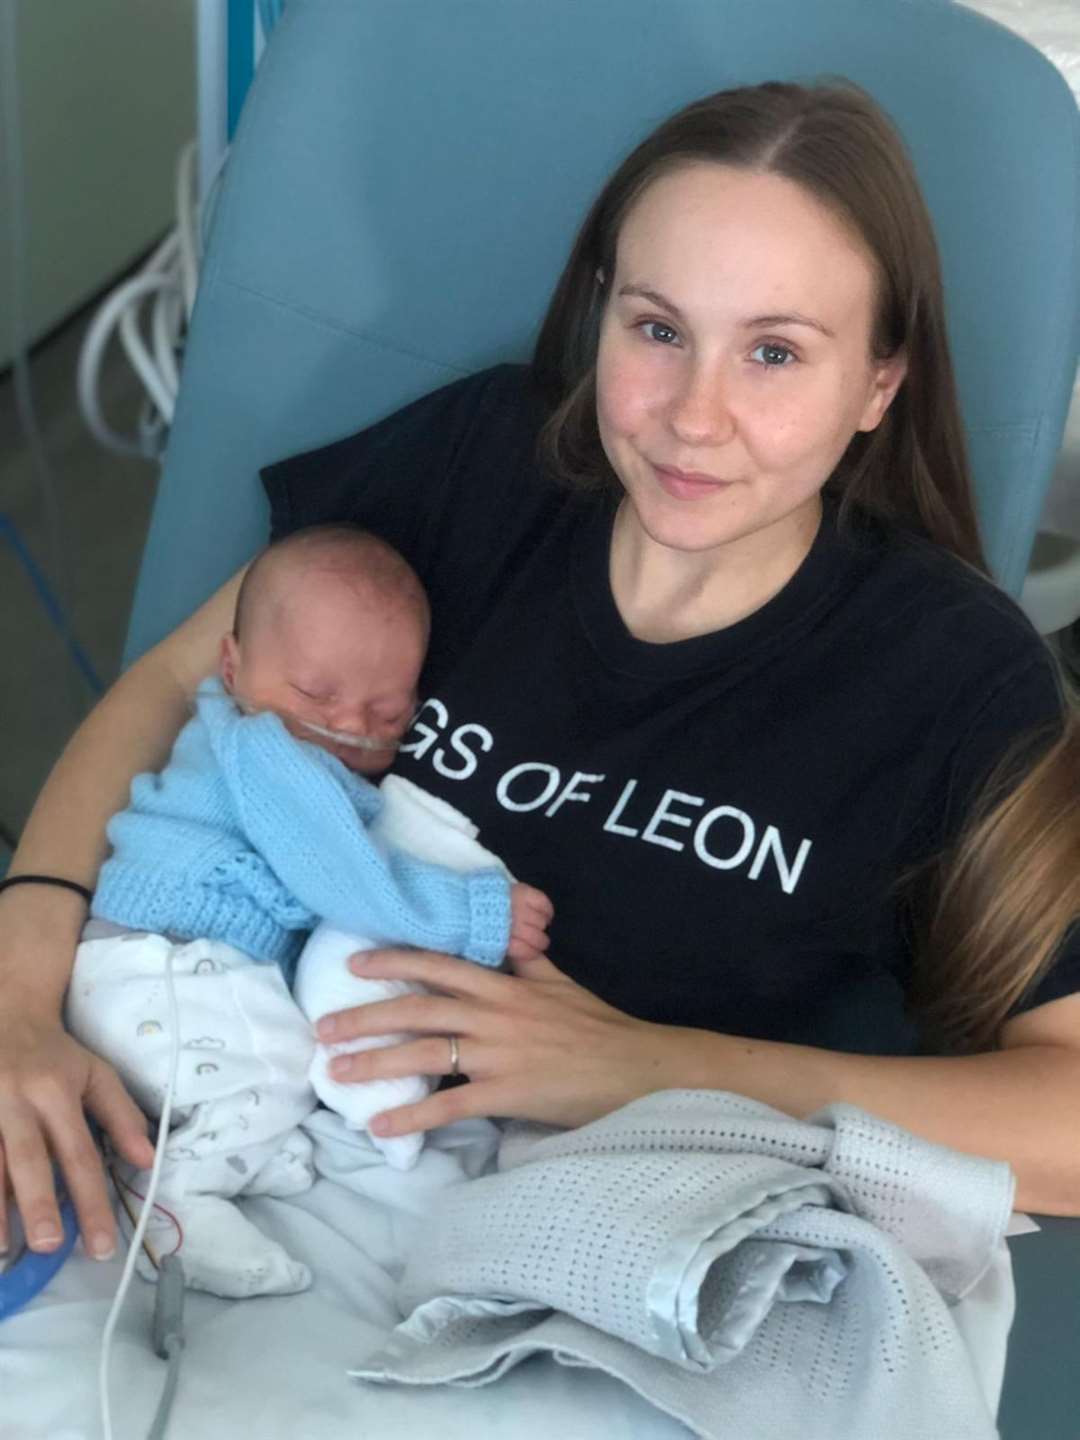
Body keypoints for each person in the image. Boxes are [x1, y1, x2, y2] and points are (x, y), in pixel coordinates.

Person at [3, 79, 1080, 1280]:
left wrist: (654, 1060)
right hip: (210, 1137)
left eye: (774, 353)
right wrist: (15, 996)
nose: (692, 418)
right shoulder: (475, 467)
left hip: (618, 1244)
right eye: (658, 330)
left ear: (881, 383)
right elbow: (172, 689)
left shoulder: (953, 678)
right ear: (602, 313)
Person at [61, 523, 553, 1295]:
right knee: (283, 1065)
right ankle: (177, 1196)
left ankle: (234, 1144)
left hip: (145, 974)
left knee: (270, 1057)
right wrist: (474, 914)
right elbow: (345, 879)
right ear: (231, 665)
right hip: (169, 965)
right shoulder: (263, 750)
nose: (349, 727)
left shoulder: (271, 737)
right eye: (317, 694)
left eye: (389, 715)